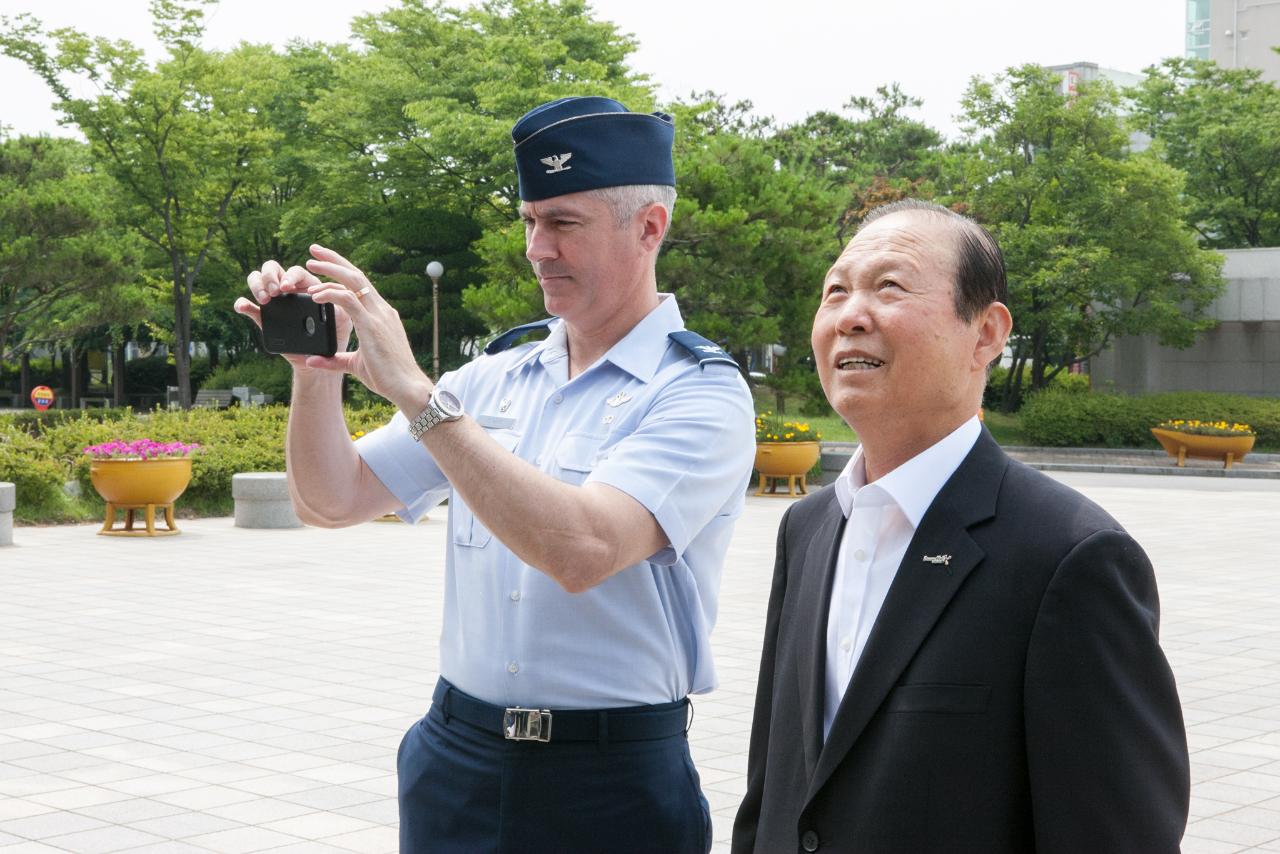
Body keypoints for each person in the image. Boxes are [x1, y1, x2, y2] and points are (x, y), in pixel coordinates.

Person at [235, 96, 755, 853]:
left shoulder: (699, 392)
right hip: (457, 757)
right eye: (529, 220)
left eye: (564, 223)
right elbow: (331, 500)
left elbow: (582, 549)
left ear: (649, 228)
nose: (536, 248)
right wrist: (316, 374)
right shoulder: (494, 377)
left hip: (608, 779)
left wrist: (416, 393)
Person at [732, 199, 1189, 853]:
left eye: (889, 287)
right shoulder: (806, 528)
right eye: (835, 292)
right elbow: (771, 792)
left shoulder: (1070, 558)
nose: (851, 316)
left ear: (986, 334)